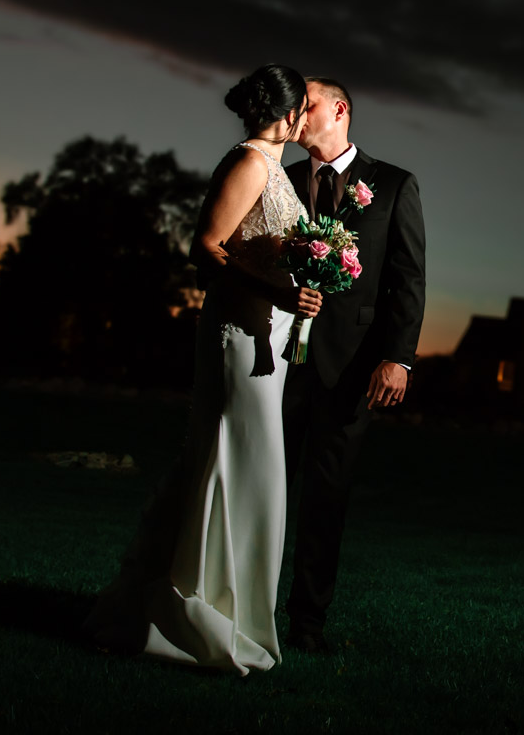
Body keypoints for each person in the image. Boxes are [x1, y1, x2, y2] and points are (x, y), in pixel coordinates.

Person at [80, 63, 323, 675]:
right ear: (290, 112)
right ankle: (194, 612)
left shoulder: (273, 166)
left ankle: (218, 609)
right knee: (230, 460)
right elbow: (206, 246)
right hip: (238, 335)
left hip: (269, 340)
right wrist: (276, 290)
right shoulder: (249, 162)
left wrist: (307, 277)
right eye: (305, 106)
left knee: (247, 465)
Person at [280, 77, 426, 653]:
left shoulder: (393, 185)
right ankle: (244, 606)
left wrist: (398, 358)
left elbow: (407, 279)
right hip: (276, 361)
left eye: (307, 106)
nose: (296, 115)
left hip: (351, 368)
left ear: (338, 110)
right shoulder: (281, 179)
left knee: (326, 497)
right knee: (264, 487)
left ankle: (307, 623)